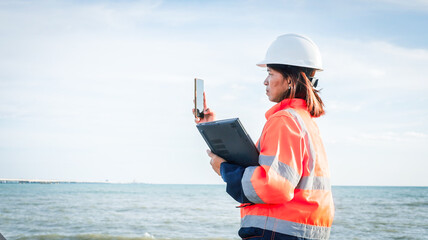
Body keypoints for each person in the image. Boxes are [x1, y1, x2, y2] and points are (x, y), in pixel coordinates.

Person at [195, 34, 334, 240]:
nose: (265, 81)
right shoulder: (304, 121)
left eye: (270, 73)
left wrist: (225, 169)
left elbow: (273, 186)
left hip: (277, 232)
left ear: (290, 79)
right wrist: (211, 128)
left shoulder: (284, 120)